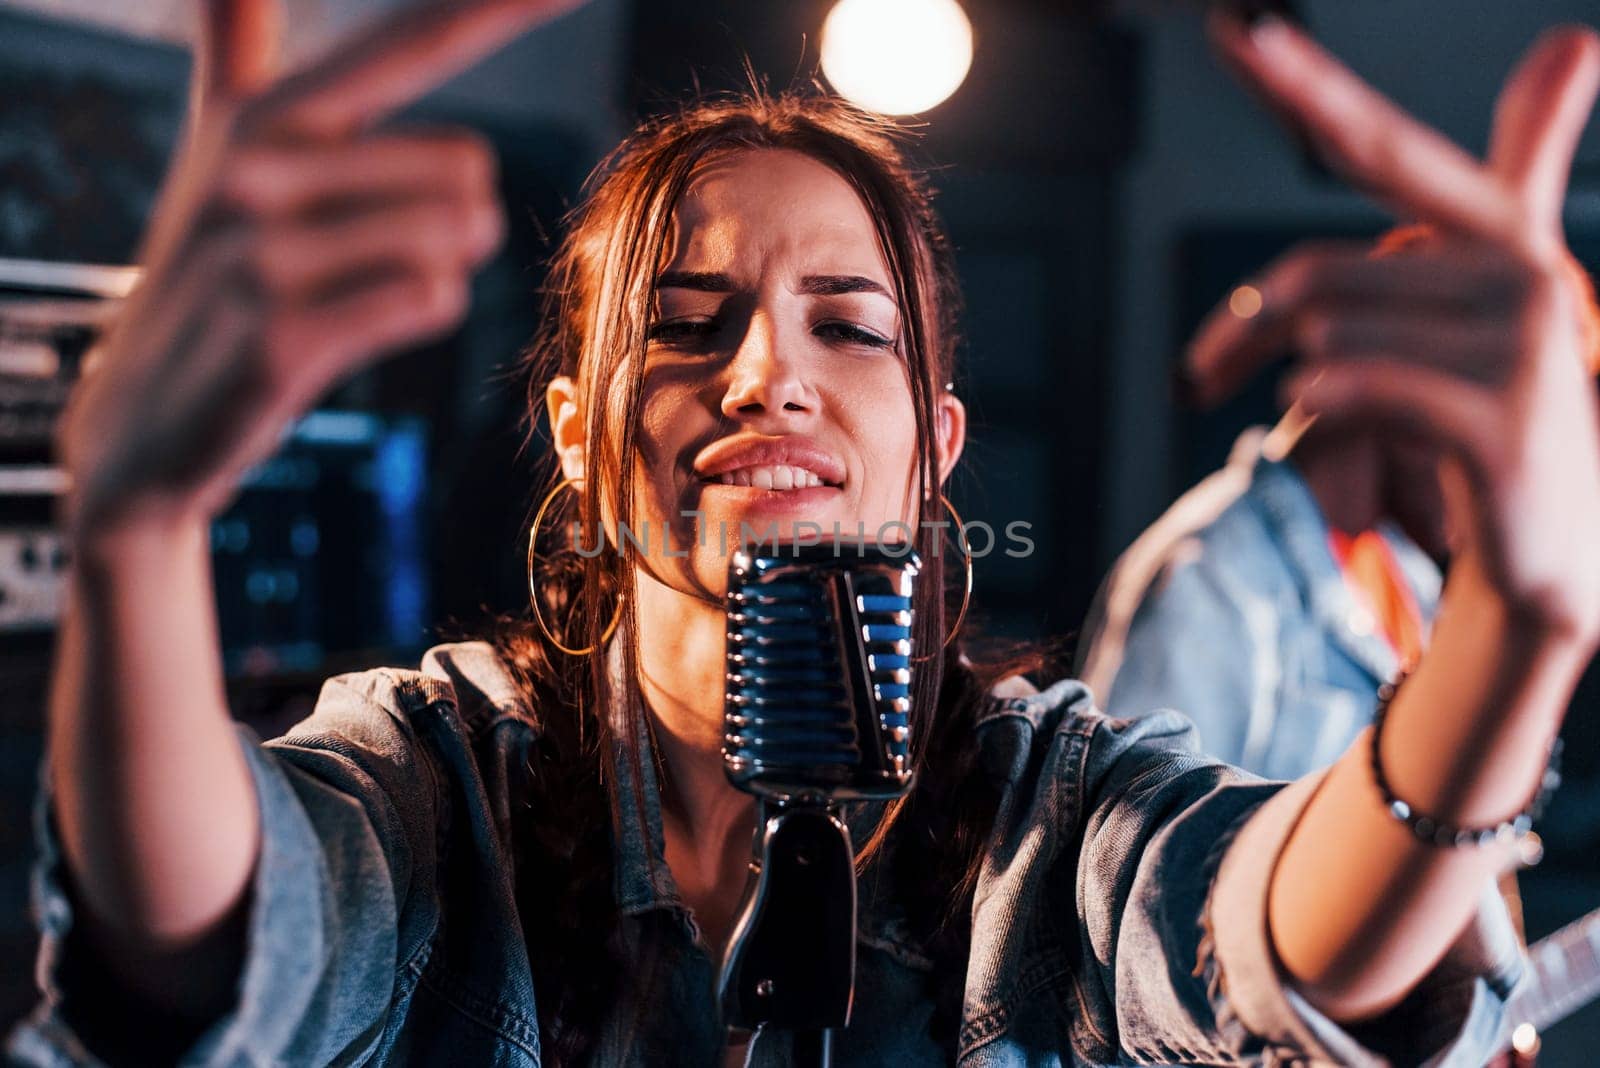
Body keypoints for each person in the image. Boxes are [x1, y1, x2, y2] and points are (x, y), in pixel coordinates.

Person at [10, 2, 1600, 1065]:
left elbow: (1269, 939)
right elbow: (214, 944)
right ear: (575, 431)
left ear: (938, 448)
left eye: (851, 330)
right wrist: (136, 530)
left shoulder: (1054, 806)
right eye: (692, 325)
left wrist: (1519, 636)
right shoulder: (436, 776)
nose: (768, 375)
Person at [1076, 230, 1600, 782]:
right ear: (1408, 378)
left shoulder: (1407, 576)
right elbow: (1129, 858)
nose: (1507, 474)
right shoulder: (1214, 580)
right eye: (1498, 428)